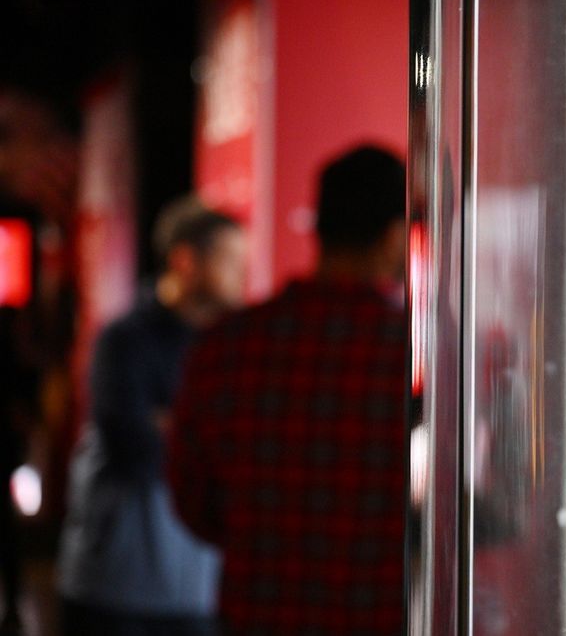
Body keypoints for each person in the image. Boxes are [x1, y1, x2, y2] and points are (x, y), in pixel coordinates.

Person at [169, 145, 407, 635]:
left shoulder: (226, 345)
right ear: (394, 237)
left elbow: (192, 501)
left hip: (257, 614)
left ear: (318, 228)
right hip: (373, 617)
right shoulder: (412, 356)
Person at [58, 198, 246, 636]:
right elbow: (132, 446)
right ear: (185, 261)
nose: (243, 274)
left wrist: (172, 425)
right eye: (230, 260)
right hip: (117, 585)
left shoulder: (230, 346)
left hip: (200, 588)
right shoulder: (122, 340)